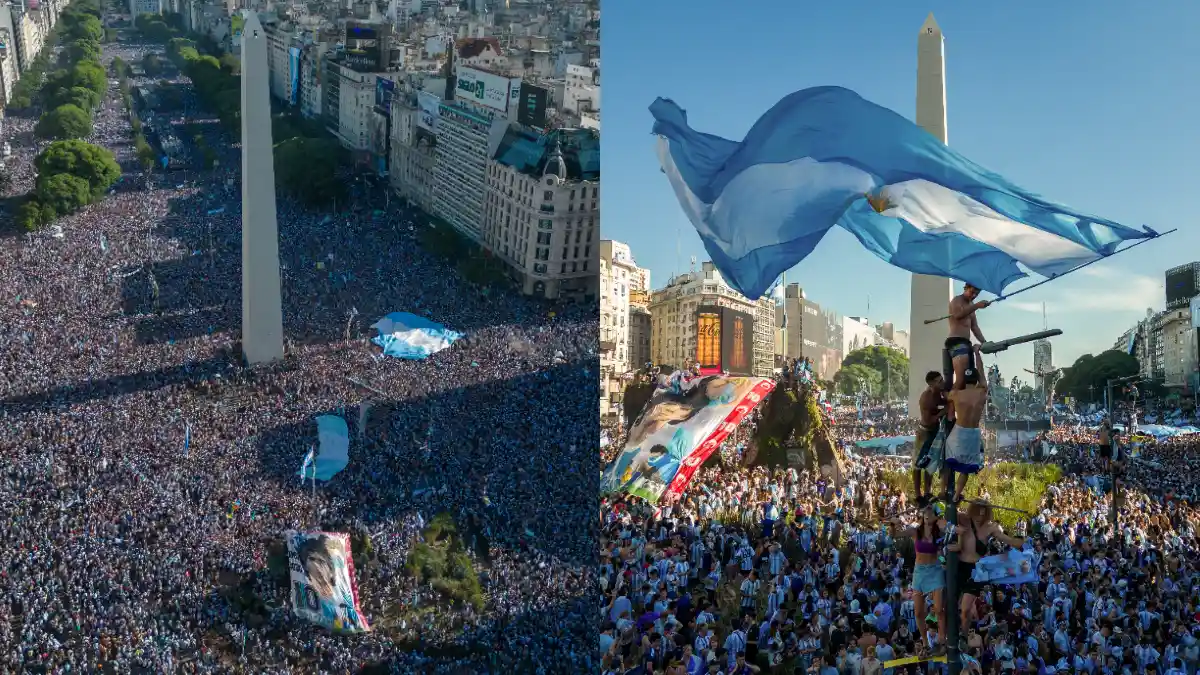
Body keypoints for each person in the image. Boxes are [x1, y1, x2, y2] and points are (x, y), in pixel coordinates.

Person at [947, 503, 1025, 646]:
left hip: (977, 571)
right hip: (959, 568)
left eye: (983, 513)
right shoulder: (964, 519)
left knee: (965, 610)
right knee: (950, 607)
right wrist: (954, 501)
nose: (980, 516)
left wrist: (1020, 539)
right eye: (978, 513)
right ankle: (950, 634)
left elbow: (1008, 540)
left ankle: (964, 637)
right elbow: (945, 515)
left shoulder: (991, 528)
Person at [888, 506, 947, 656]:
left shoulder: (939, 532)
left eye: (930, 513)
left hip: (935, 570)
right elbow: (895, 535)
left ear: (935, 516)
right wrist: (893, 524)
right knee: (919, 612)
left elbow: (947, 537)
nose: (927, 515)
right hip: (920, 571)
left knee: (939, 609)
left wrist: (942, 559)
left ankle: (941, 641)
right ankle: (926, 644)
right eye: (925, 513)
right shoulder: (915, 531)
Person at [943, 355, 989, 503]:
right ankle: (957, 494)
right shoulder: (982, 392)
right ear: (976, 380)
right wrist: (977, 354)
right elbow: (982, 373)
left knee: (947, 459)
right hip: (973, 433)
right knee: (966, 468)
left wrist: (959, 378)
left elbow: (951, 391)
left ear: (965, 380)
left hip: (959, 431)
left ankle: (943, 490)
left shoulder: (956, 394)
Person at [946, 283, 990, 390]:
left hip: (966, 343)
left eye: (977, 294)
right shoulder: (957, 300)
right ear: (966, 288)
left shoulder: (971, 305)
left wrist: (984, 342)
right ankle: (951, 405)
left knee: (969, 380)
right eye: (972, 292)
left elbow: (974, 327)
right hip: (956, 341)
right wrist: (976, 306)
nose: (974, 295)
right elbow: (958, 315)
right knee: (960, 380)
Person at [913, 371, 946, 506]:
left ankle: (927, 491)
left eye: (942, 380)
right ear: (932, 384)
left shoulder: (938, 392)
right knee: (918, 465)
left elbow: (942, 402)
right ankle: (918, 495)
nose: (942, 382)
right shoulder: (926, 398)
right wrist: (943, 412)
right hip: (924, 433)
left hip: (934, 431)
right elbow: (928, 419)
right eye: (939, 381)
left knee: (930, 464)